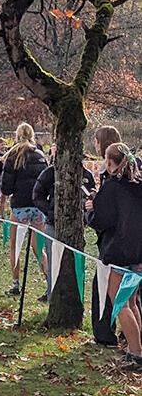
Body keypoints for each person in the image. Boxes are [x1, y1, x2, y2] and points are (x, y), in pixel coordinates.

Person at [86, 142, 142, 370]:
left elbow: (102, 220)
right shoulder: (138, 185)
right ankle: (138, 346)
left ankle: (136, 353)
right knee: (131, 300)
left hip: (120, 251)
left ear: (110, 163)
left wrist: (90, 210)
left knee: (119, 303)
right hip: (138, 251)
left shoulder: (112, 187)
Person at [33, 163, 95, 302]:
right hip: (53, 224)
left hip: (76, 227)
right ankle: (52, 297)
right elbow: (37, 195)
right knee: (53, 262)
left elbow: (91, 197)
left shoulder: (86, 175)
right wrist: (51, 212)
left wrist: (86, 214)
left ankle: (75, 299)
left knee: (75, 264)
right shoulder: (50, 173)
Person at [1, 122, 48, 296]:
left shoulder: (13, 156)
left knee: (15, 246)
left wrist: (7, 195)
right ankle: (49, 283)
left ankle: (15, 285)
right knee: (38, 247)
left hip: (20, 206)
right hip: (37, 206)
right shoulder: (41, 156)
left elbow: (6, 187)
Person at [91, 125, 122, 347]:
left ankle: (106, 333)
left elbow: (107, 213)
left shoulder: (113, 174)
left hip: (115, 242)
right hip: (123, 238)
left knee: (107, 288)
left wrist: (93, 209)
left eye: (96, 140)